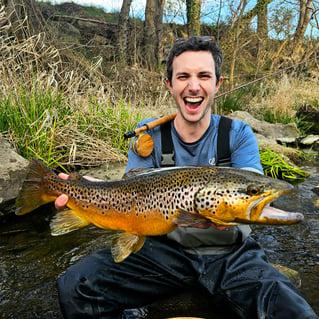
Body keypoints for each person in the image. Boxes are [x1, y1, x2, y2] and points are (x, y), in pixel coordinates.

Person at [55, 36, 318, 319]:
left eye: (204, 75)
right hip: (162, 252)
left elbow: (249, 187)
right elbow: (128, 193)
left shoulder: (239, 133)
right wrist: (96, 191)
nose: (193, 86)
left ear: (217, 83)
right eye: (183, 76)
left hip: (231, 254)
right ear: (170, 84)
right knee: (73, 287)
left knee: (293, 313)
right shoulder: (148, 136)